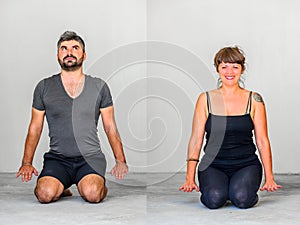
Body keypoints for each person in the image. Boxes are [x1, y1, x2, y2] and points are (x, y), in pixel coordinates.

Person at [16, 31, 128, 203]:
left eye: (75, 48)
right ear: (57, 56)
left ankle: (89, 182)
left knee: (92, 194)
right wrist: (26, 162)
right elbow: (35, 127)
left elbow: (110, 126)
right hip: (58, 159)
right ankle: (64, 186)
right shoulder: (44, 87)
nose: (69, 52)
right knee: (45, 195)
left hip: (90, 158)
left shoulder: (99, 86)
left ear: (84, 55)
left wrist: (120, 160)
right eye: (64, 49)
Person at [179, 46, 282, 209]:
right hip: (213, 164)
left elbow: (262, 140)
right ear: (218, 69)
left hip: (246, 164)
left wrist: (269, 177)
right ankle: (224, 189)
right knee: (214, 200)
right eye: (224, 66)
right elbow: (196, 139)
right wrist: (189, 177)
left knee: (242, 199)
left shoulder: (254, 99)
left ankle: (235, 189)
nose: (230, 72)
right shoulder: (205, 99)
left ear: (242, 69)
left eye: (235, 66)